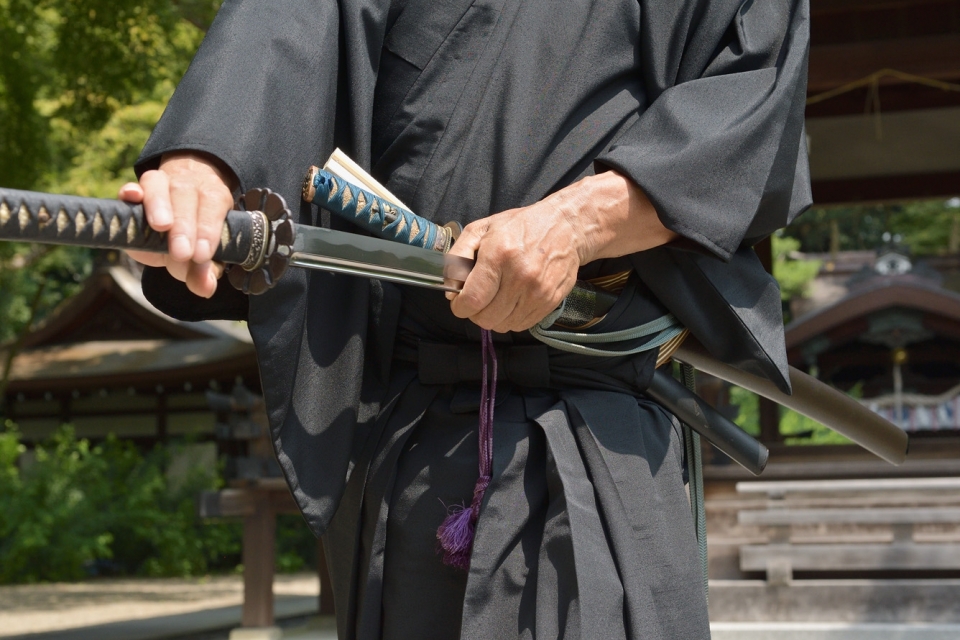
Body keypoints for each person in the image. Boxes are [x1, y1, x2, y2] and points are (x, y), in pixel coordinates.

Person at [122, 0, 811, 637]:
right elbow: (293, 20)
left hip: (599, 436)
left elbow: (749, 97)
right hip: (409, 439)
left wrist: (576, 222)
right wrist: (209, 156)